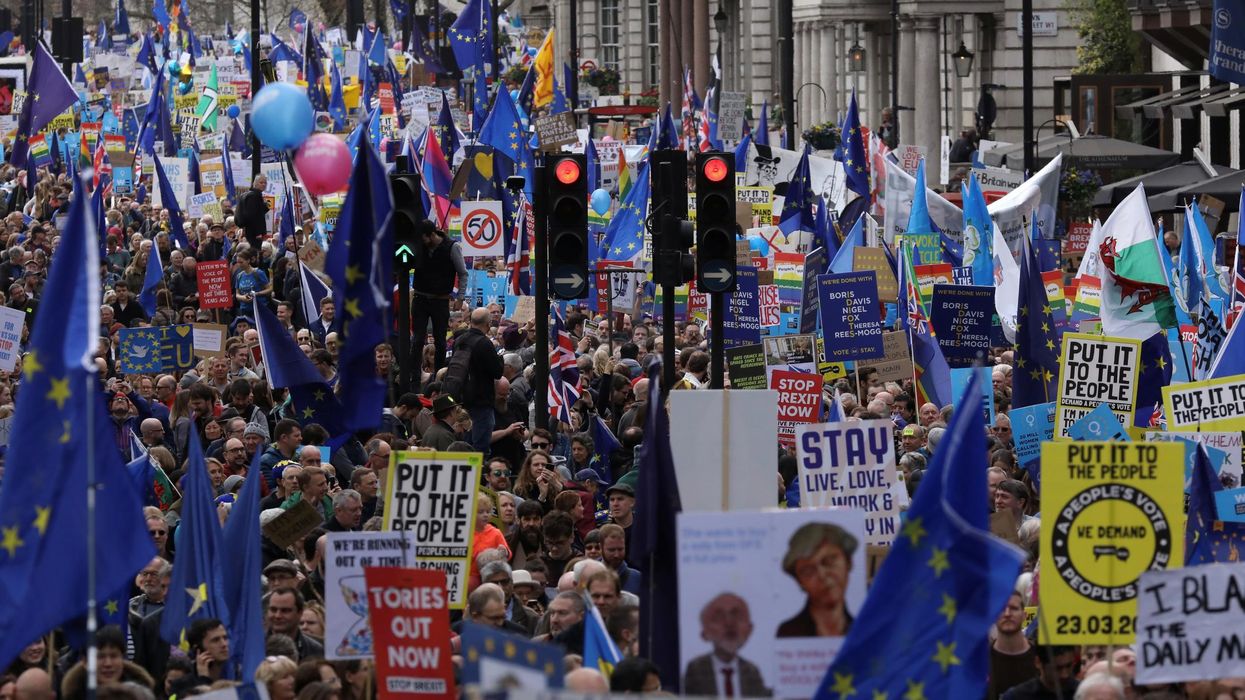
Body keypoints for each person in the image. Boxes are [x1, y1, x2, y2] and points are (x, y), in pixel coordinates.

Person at [410, 218, 467, 390]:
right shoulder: (419, 246)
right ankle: (414, 375)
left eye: (423, 239)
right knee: (417, 339)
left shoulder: (452, 247)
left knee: (440, 340)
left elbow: (462, 273)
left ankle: (440, 375)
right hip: (420, 298)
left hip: (440, 300)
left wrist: (460, 298)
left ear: (431, 235)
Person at [776, 522, 857, 638]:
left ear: (848, 562)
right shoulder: (787, 633)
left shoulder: (867, 626)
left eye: (829, 561)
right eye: (808, 571)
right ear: (799, 582)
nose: (822, 575)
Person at [683, 593, 772, 697]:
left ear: (750, 629)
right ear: (704, 633)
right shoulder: (694, 671)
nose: (729, 623)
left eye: (737, 616)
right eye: (718, 617)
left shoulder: (753, 672)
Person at [450, 307, 504, 454]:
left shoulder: (459, 340)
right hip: (481, 401)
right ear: (488, 324)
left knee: (464, 445)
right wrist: (499, 356)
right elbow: (497, 372)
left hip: (461, 400)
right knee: (481, 448)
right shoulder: (485, 344)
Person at [989, 592, 1038, 699]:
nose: (1007, 614)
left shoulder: (1039, 659)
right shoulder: (981, 661)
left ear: (1025, 615)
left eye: (1014, 608)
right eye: (1001, 608)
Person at [1000, 644, 1080, 700]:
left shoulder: (1084, 693)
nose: (1064, 674)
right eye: (1057, 668)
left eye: (1069, 666)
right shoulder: (1016, 697)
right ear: (1038, 662)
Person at [266, 587, 326, 659]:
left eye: (285, 610)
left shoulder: (316, 651)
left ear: (300, 613)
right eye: (273, 610)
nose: (277, 615)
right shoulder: (253, 645)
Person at [236, 175, 270, 250]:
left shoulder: (248, 195)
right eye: (261, 182)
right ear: (255, 183)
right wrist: (257, 233)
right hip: (253, 234)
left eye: (265, 183)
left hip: (250, 232)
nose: (264, 184)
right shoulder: (254, 196)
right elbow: (252, 216)